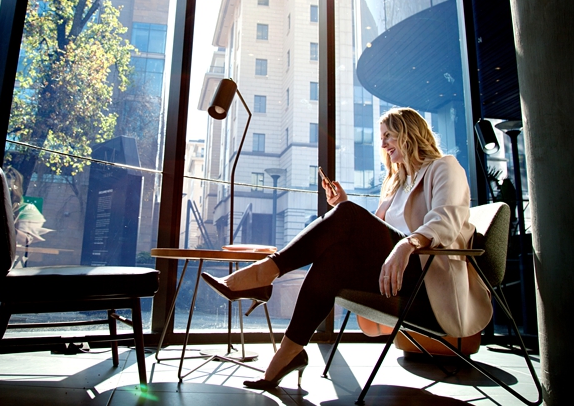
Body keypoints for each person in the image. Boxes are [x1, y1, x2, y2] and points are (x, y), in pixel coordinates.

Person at [202, 107, 493, 390]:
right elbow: (375, 234)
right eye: (382, 137)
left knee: (349, 217)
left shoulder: (444, 167)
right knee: (334, 257)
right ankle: (287, 355)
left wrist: (408, 243)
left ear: (410, 133)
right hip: (395, 274)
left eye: (389, 135)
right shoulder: (395, 184)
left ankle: (263, 274)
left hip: (427, 279)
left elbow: (447, 220)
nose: (382, 143)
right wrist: (341, 207)